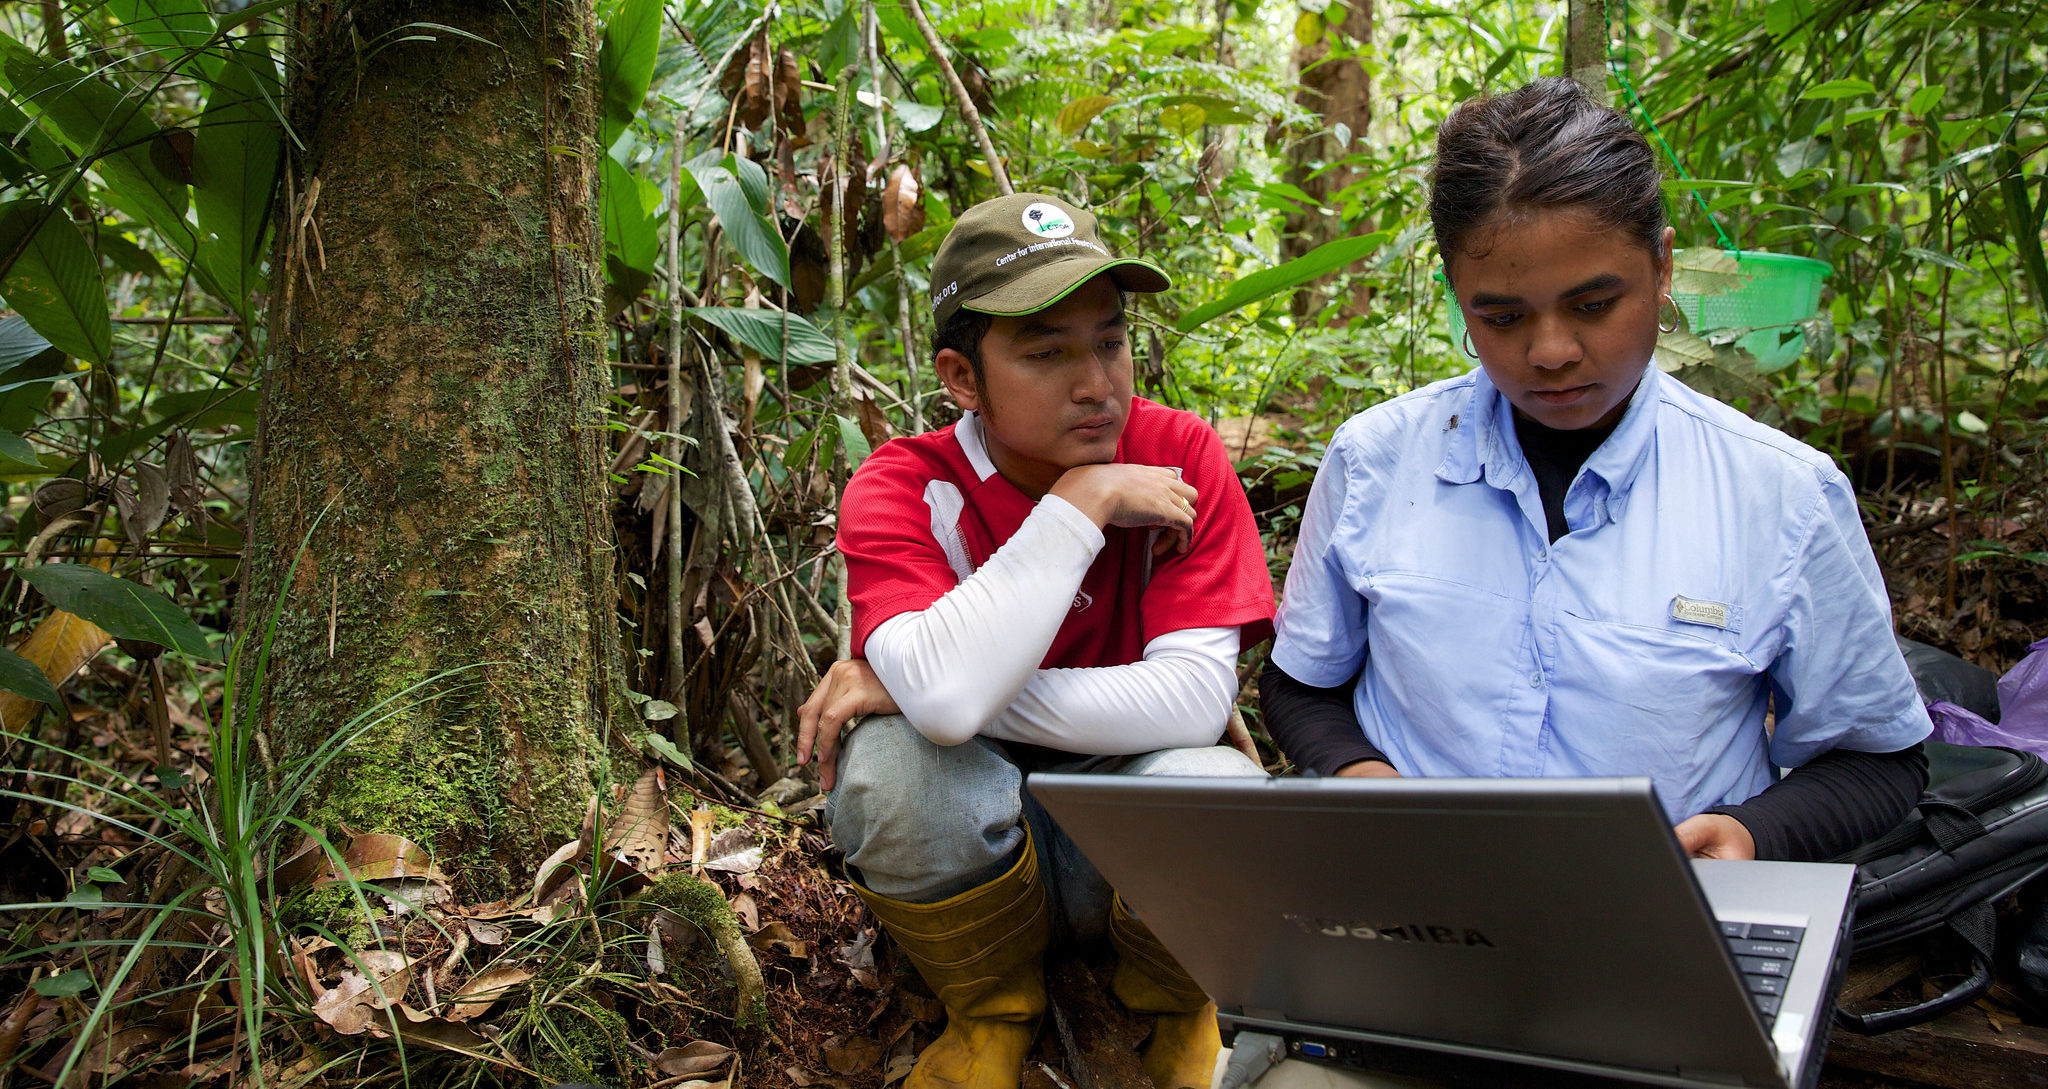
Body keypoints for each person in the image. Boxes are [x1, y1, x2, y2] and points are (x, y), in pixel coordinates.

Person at [1261, 77, 1933, 867]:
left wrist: (1753, 832)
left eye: (1592, 305)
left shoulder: (1781, 495)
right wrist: (1363, 778)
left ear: (1663, 266)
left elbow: (1880, 759)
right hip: (1420, 897)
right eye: (1502, 316)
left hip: (1660, 920)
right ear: (1457, 295)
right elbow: (1302, 681)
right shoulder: (1376, 459)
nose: (1550, 351)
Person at [795, 193, 1277, 1089]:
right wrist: (1081, 502)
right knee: (892, 770)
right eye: (1046, 352)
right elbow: (943, 711)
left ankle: (1178, 1003)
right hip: (971, 832)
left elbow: (1193, 701)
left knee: (1218, 786)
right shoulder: (905, 484)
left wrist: (923, 683)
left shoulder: (1183, 453)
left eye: (1108, 340)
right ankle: (990, 1012)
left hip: (1123, 840)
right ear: (963, 378)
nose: (1096, 383)